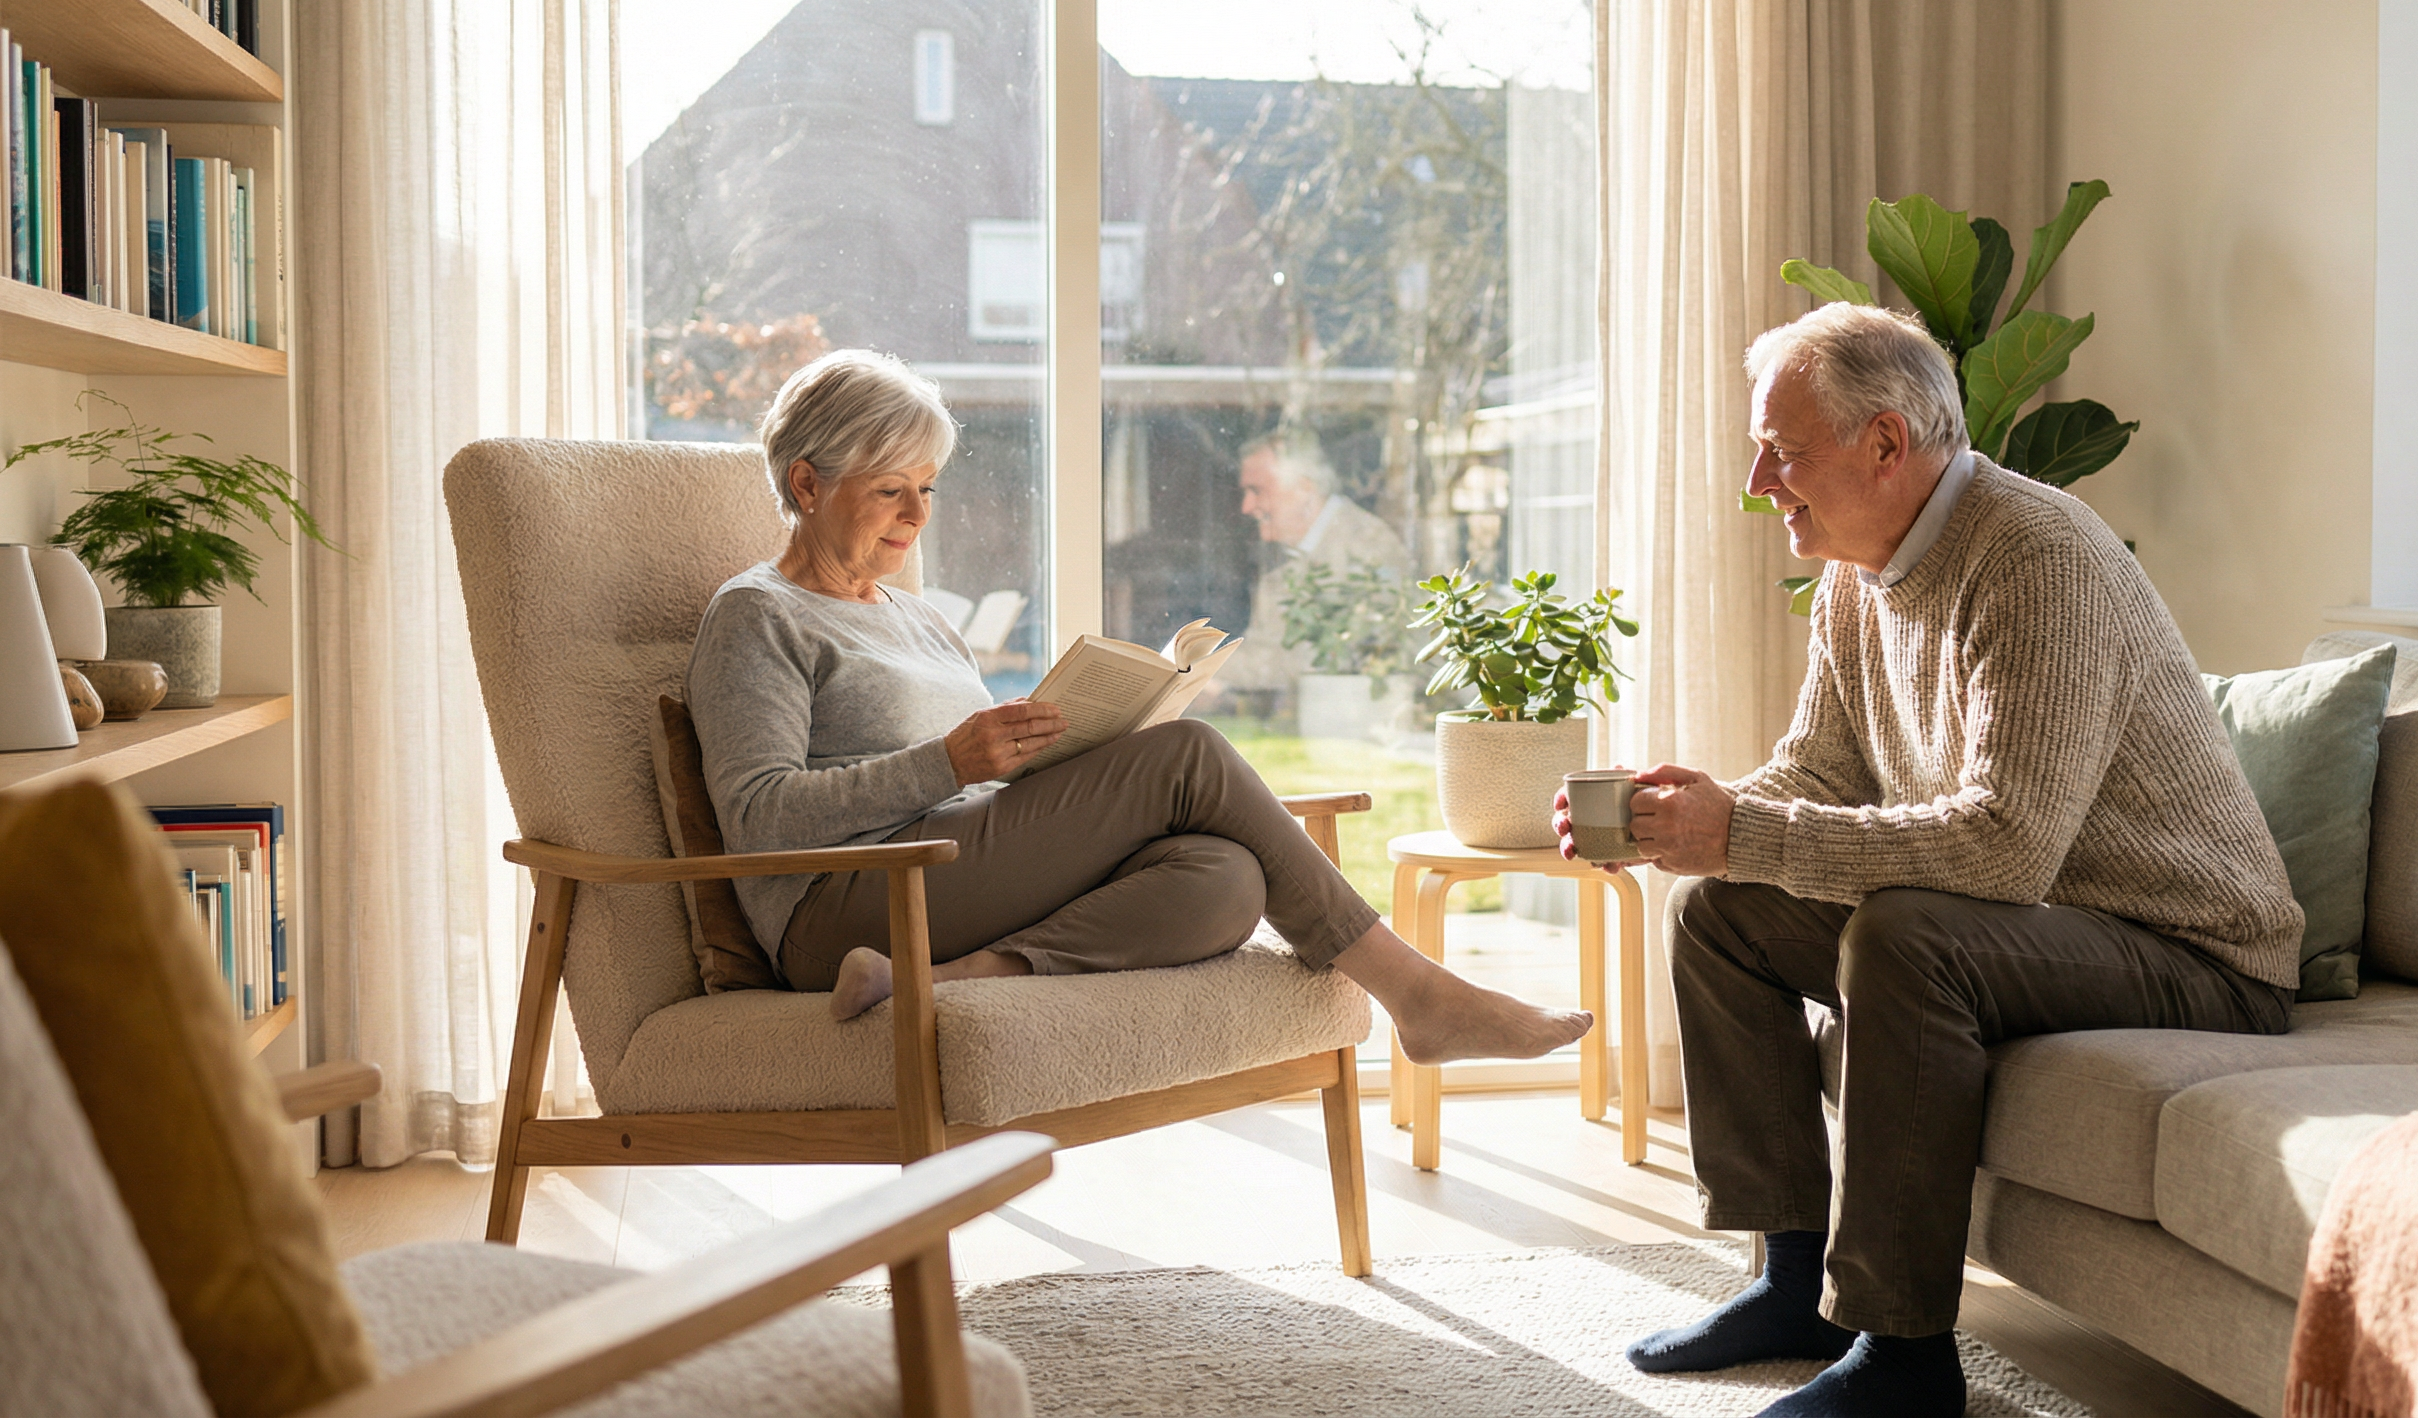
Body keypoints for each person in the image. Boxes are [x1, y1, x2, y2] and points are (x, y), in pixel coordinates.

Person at [1566, 304, 2301, 1418]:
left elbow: (2005, 848)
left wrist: (1743, 831)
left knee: (1905, 935)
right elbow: (1815, 769)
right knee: (1723, 911)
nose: (1761, 477)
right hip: (2046, 931)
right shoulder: (1858, 575)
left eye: (1784, 448)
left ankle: (1903, 1357)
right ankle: (1789, 1283)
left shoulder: (2036, 555)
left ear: (1884, 442)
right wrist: (1691, 823)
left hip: (2188, 951)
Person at [687, 348, 1592, 1078]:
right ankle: (1418, 996)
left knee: (1226, 879)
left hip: (946, 878)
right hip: (840, 906)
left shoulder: (916, 617)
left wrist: (1045, 747)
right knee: (1189, 754)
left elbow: (971, 776)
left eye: (930, 487)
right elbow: (757, 817)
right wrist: (952, 762)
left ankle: (935, 979)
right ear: (806, 485)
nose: (919, 514)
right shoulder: (757, 614)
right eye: (893, 489)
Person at [1219, 432, 1416, 700]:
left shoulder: (1363, 547)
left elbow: (1301, 660)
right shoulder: (1296, 548)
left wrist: (1199, 672)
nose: (1247, 506)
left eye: (1257, 490)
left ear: (1305, 490)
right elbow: (1266, 650)